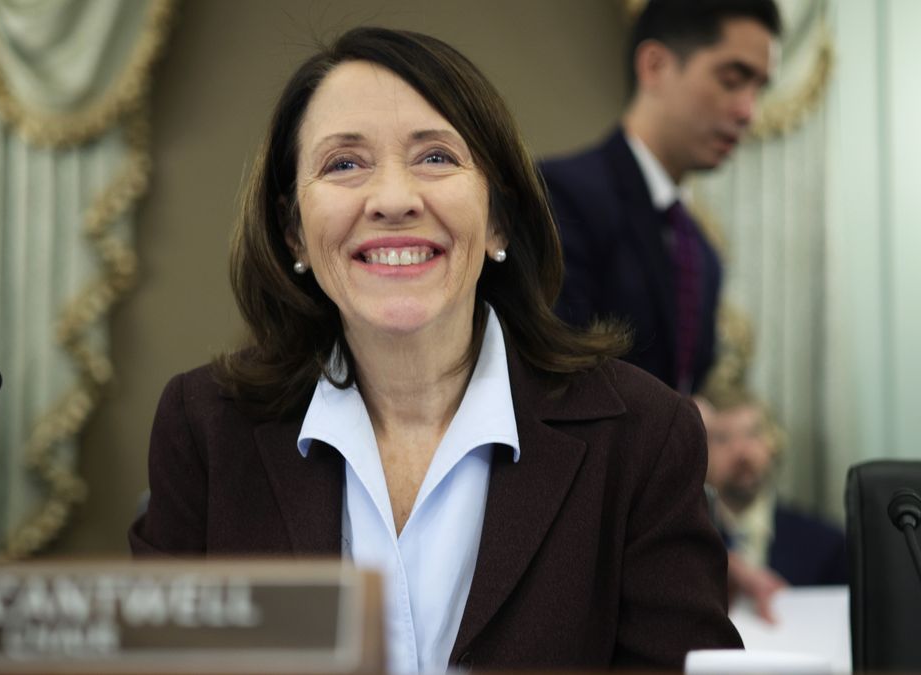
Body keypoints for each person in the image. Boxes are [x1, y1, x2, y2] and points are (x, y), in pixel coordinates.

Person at [130, 26, 739, 672]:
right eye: (344, 163)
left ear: (499, 218)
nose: (393, 200)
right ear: (294, 234)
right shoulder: (204, 427)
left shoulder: (643, 435)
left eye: (436, 158)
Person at [541, 0, 780, 394]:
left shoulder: (702, 253)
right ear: (655, 66)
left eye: (758, 89)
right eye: (733, 79)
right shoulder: (561, 196)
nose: (748, 111)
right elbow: (549, 383)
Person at [698, 392, 847, 588]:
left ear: (773, 443)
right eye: (722, 439)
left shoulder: (827, 545)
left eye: (752, 434)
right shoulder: (684, 547)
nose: (741, 451)